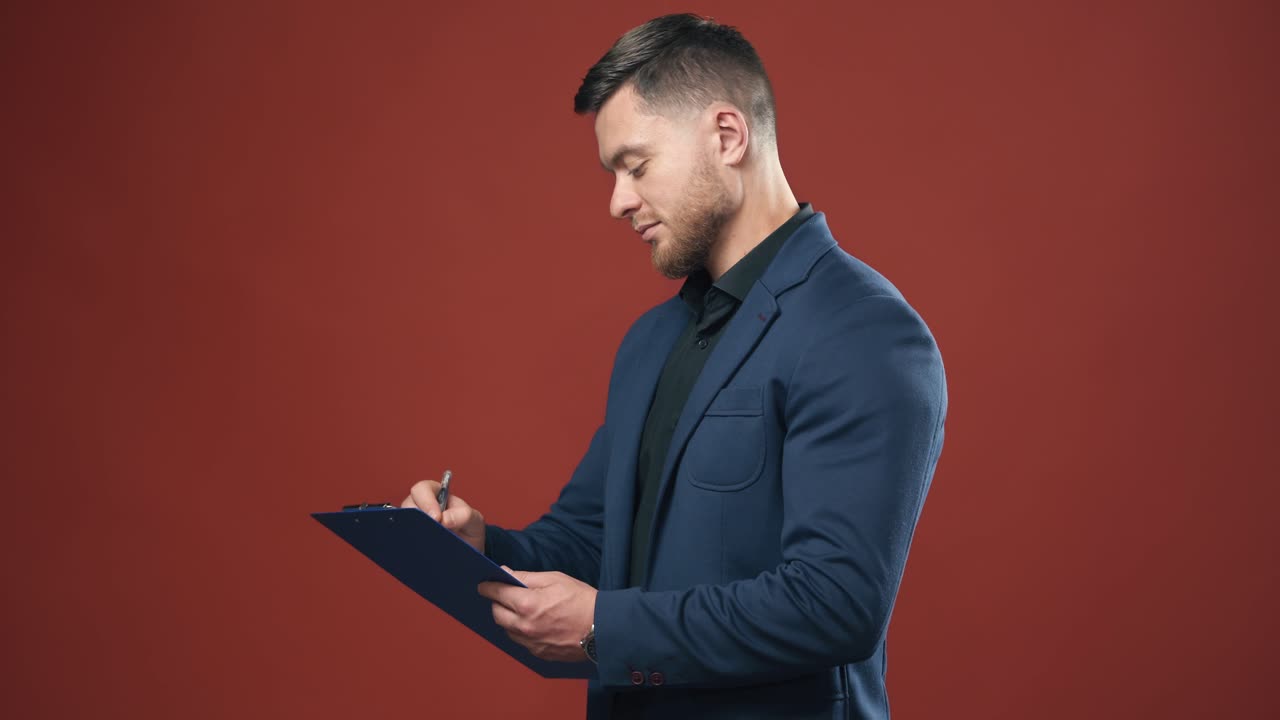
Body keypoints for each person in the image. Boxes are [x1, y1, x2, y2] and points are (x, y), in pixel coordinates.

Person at [402, 13, 947, 720]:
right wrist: (482, 548)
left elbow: (834, 604)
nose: (618, 200)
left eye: (637, 164)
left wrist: (605, 629)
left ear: (727, 136)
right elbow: (592, 541)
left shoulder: (865, 331)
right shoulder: (650, 340)